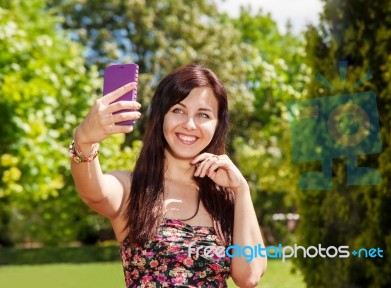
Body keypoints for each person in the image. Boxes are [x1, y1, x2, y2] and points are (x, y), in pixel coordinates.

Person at [70, 64, 266, 287]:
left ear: (217, 125)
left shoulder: (226, 199)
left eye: (203, 114)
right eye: (178, 110)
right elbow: (93, 193)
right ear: (161, 116)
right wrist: (84, 142)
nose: (189, 125)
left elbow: (249, 277)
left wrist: (241, 190)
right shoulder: (132, 188)